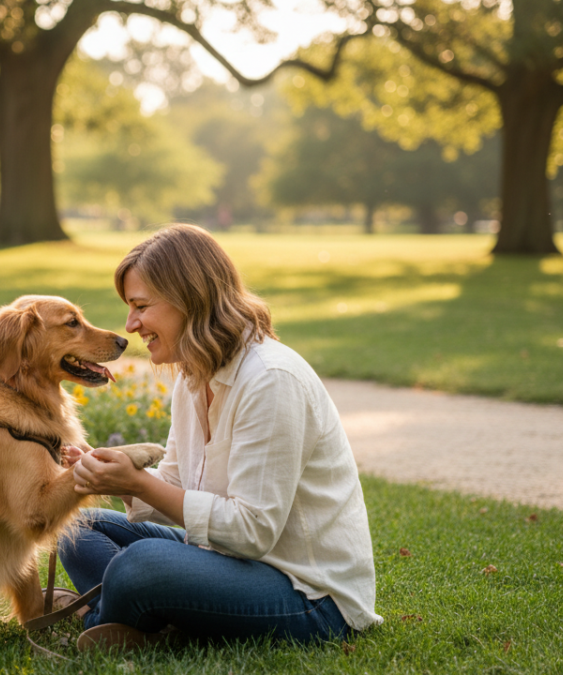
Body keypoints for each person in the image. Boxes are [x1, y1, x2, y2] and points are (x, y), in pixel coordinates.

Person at [58, 224, 383, 651]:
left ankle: (101, 617)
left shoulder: (270, 380)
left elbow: (253, 531)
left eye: (140, 306)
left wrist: (138, 482)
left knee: (141, 565)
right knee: (78, 528)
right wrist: (115, 480)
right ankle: (143, 619)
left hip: (309, 597)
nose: (131, 324)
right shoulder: (193, 377)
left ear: (188, 299)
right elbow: (175, 487)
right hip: (227, 562)